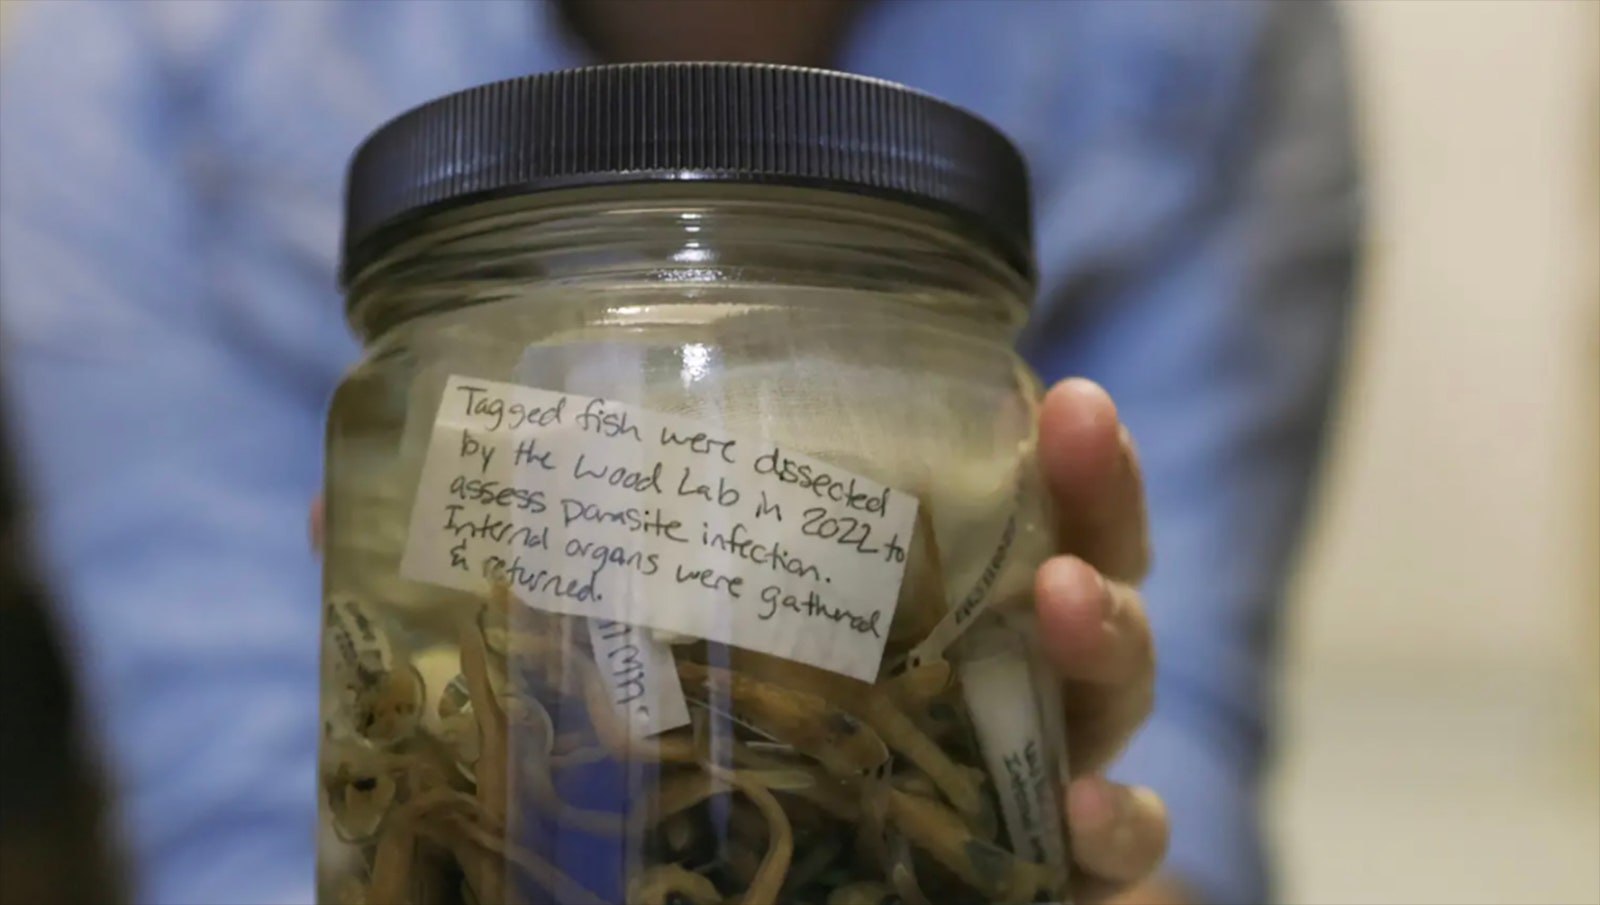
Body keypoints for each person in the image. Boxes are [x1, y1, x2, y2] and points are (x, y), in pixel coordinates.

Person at [0, 1, 1360, 903]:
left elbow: (1177, 769)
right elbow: (249, 816)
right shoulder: (128, 61)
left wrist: (1088, 836)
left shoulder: (1216, 41)